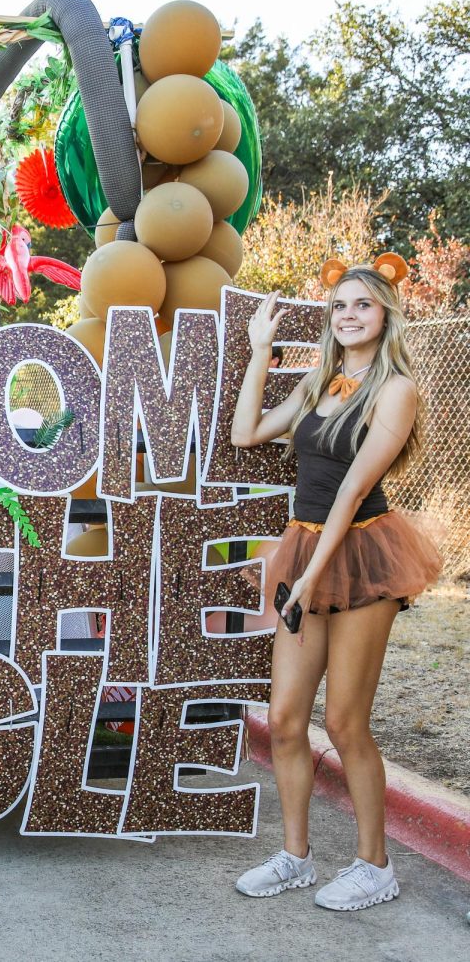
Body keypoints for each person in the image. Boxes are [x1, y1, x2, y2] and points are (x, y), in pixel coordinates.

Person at [230, 255, 441, 911]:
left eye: (363, 304)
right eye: (340, 305)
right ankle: (295, 857)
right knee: (287, 719)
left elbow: (351, 491)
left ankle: (374, 865)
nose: (349, 315)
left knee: (347, 722)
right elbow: (245, 434)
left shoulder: (395, 388)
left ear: (385, 315)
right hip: (306, 547)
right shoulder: (321, 380)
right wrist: (261, 351)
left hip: (361, 554)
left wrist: (305, 577)